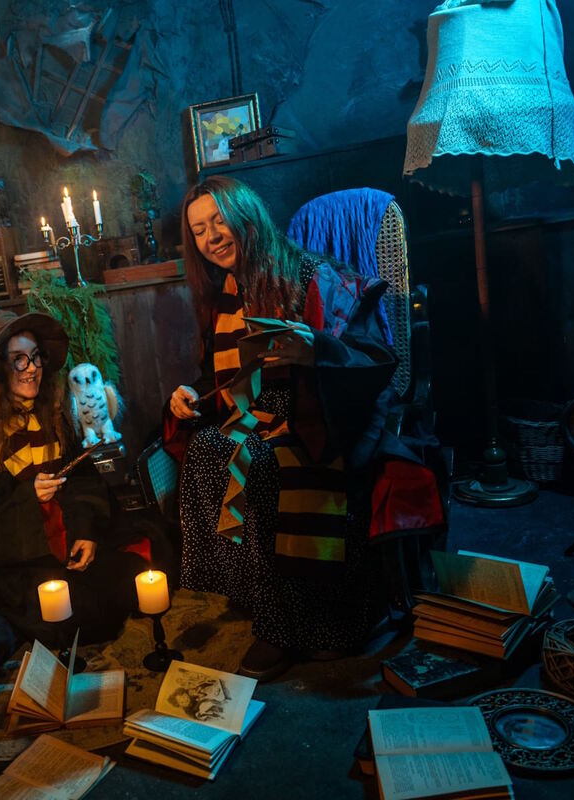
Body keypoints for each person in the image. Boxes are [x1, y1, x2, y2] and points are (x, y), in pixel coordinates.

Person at [165, 176, 443, 681]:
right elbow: (219, 379)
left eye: (219, 221)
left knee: (267, 466)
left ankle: (301, 625)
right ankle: (263, 599)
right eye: (199, 230)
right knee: (207, 448)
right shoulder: (226, 292)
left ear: (247, 215)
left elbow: (375, 360)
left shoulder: (314, 278)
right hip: (256, 419)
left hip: (322, 418)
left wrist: (317, 351)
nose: (211, 237)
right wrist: (188, 395)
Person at [0, 306, 148, 645]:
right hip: (20, 561)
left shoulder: (52, 416)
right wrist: (28, 497)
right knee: (80, 613)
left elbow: (84, 480)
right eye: (19, 360)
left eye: (36, 357)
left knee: (136, 575)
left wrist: (86, 534)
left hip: (70, 541)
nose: (33, 368)